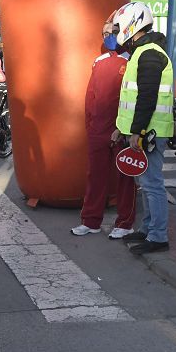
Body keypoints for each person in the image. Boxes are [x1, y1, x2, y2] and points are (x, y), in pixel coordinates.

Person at [109, 1, 173, 255]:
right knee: (145, 184)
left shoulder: (149, 54)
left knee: (152, 184)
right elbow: (131, 99)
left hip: (150, 132)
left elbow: (147, 97)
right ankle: (148, 229)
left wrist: (136, 131)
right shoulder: (143, 52)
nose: (115, 33)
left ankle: (158, 236)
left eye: (118, 28)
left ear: (132, 24)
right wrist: (121, 128)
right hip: (143, 131)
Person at [71, 13, 136, 239]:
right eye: (105, 33)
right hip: (98, 130)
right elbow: (91, 96)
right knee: (95, 176)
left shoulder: (131, 61)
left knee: (125, 178)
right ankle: (91, 221)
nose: (109, 36)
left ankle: (125, 223)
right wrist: (91, 125)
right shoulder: (98, 63)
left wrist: (126, 128)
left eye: (113, 32)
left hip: (121, 129)